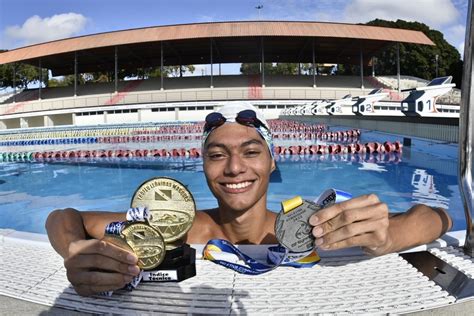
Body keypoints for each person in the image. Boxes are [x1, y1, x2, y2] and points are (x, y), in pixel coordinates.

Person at [46, 102, 452, 296]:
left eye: (251, 152)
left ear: (272, 163)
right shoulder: (180, 225)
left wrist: (385, 238)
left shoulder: (316, 226)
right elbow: (65, 216)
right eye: (217, 155)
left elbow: (433, 216)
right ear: (203, 167)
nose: (235, 168)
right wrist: (76, 249)